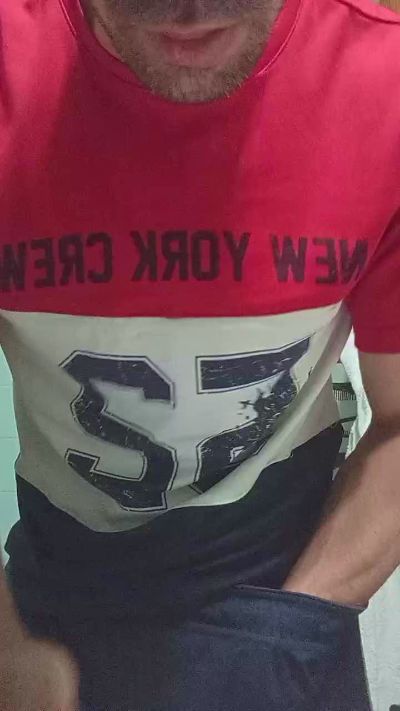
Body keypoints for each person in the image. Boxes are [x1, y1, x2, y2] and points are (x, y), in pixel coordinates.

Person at [0, 0, 400, 708]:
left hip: (291, 576)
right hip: (53, 592)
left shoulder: (385, 85)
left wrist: (291, 628)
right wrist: (5, 643)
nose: (187, 9)